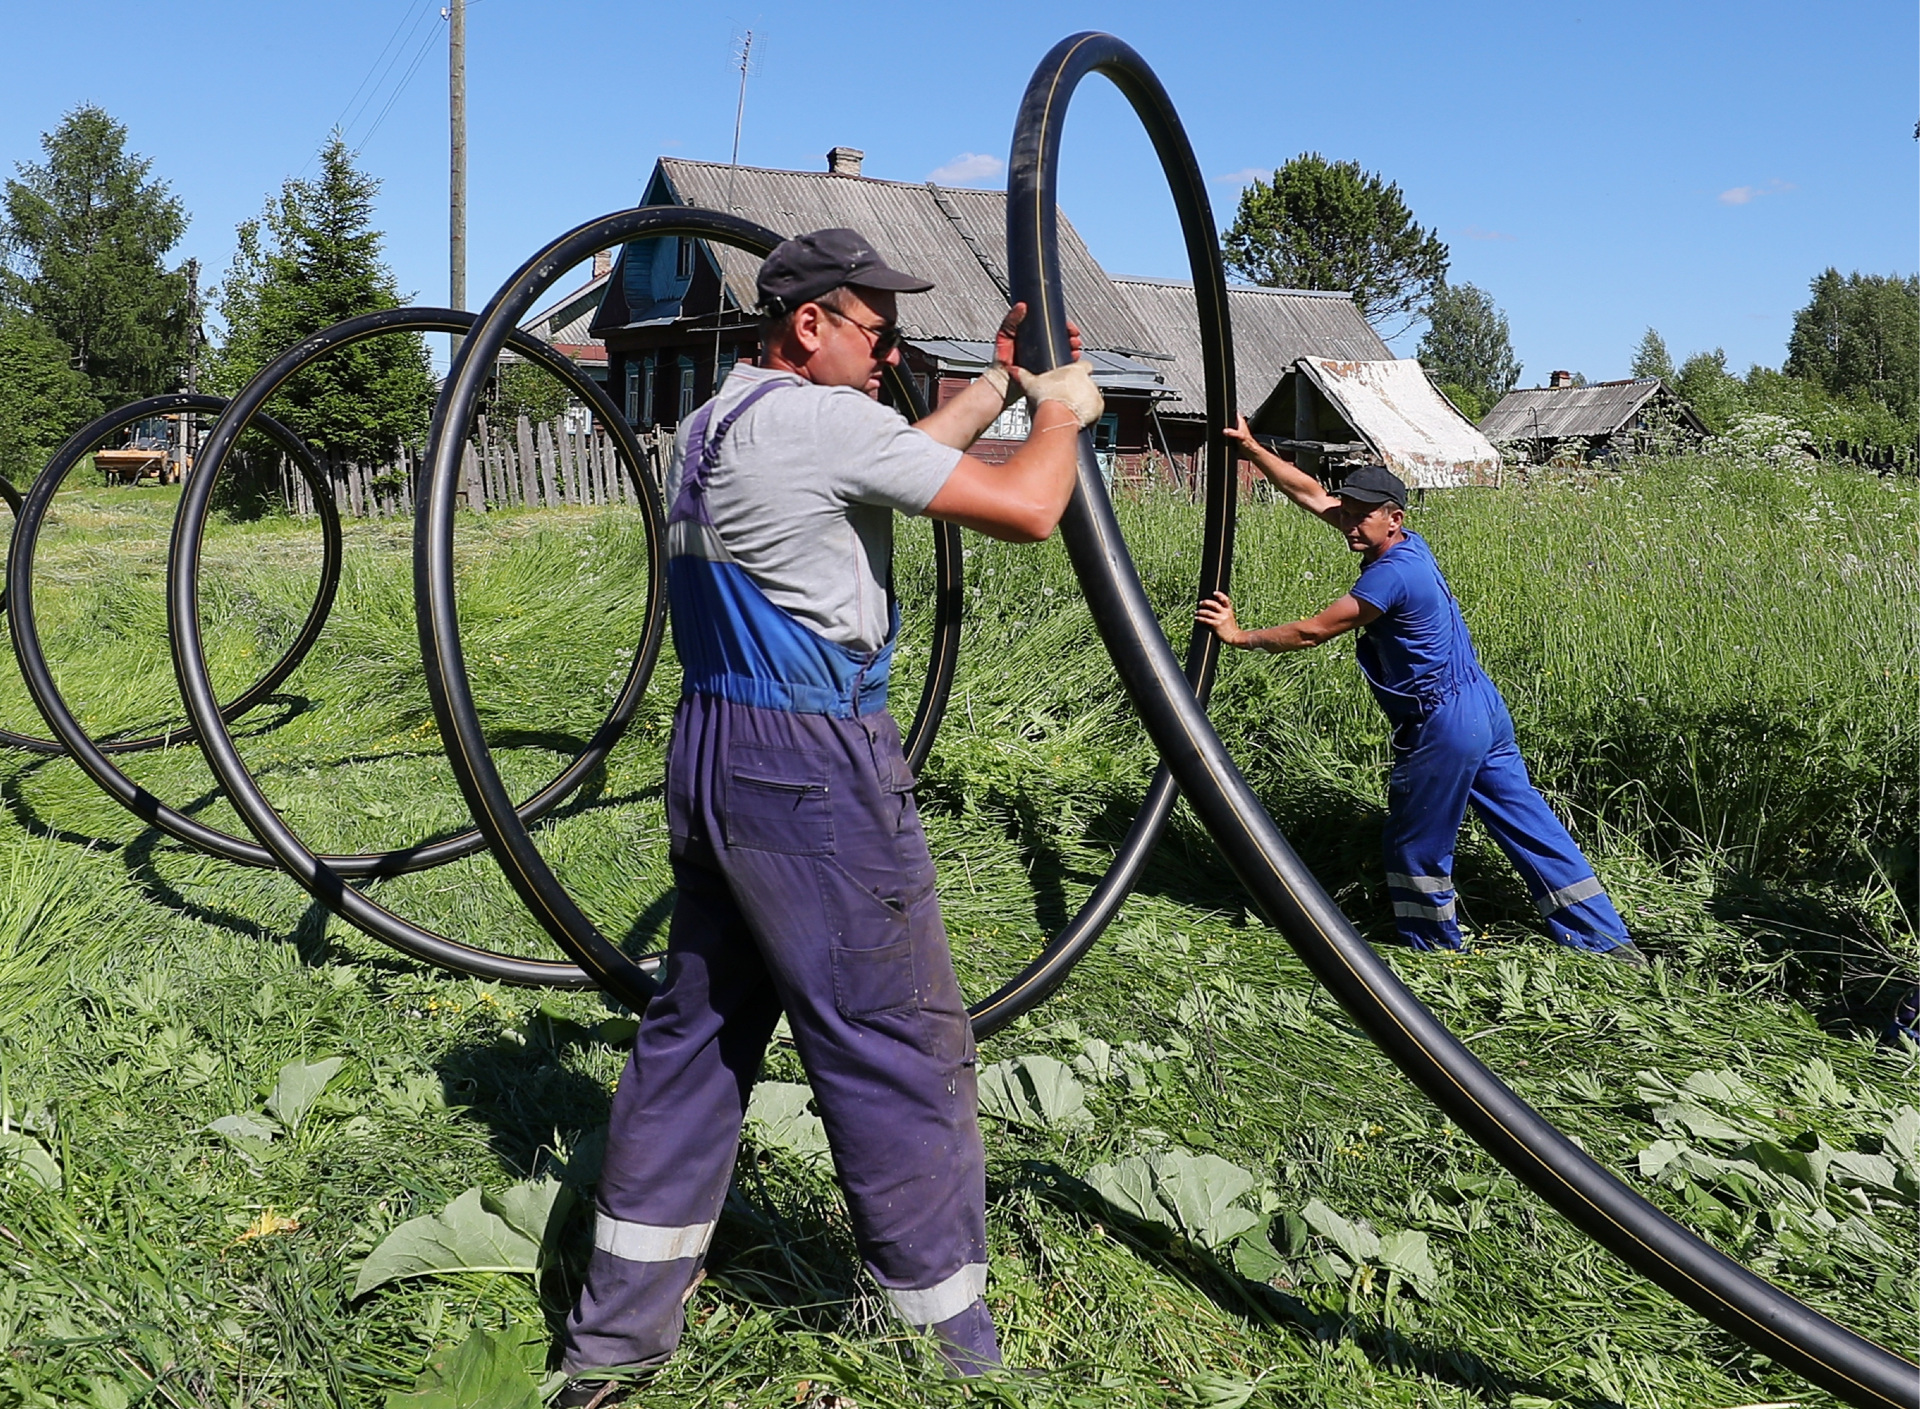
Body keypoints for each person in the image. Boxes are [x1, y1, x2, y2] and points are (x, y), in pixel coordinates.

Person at [554, 228, 1104, 1405]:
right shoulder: (819, 419)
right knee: (897, 1037)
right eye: (871, 325)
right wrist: (1060, 410)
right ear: (809, 325)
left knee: (694, 1037)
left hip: (714, 751)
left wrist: (993, 388)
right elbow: (1027, 508)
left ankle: (614, 1339)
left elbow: (887, 459)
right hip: (811, 769)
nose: (887, 344)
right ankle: (951, 1349)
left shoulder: (715, 423)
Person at [1195, 419, 1644, 966]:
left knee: (1414, 844)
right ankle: (1606, 942)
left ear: (1394, 517)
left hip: (1444, 722)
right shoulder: (1407, 545)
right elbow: (1311, 494)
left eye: (1363, 516)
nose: (1351, 525)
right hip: (1483, 709)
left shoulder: (1389, 577)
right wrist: (1250, 448)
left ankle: (1434, 957)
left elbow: (1314, 630)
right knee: (1529, 824)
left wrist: (1239, 635)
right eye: (1350, 512)